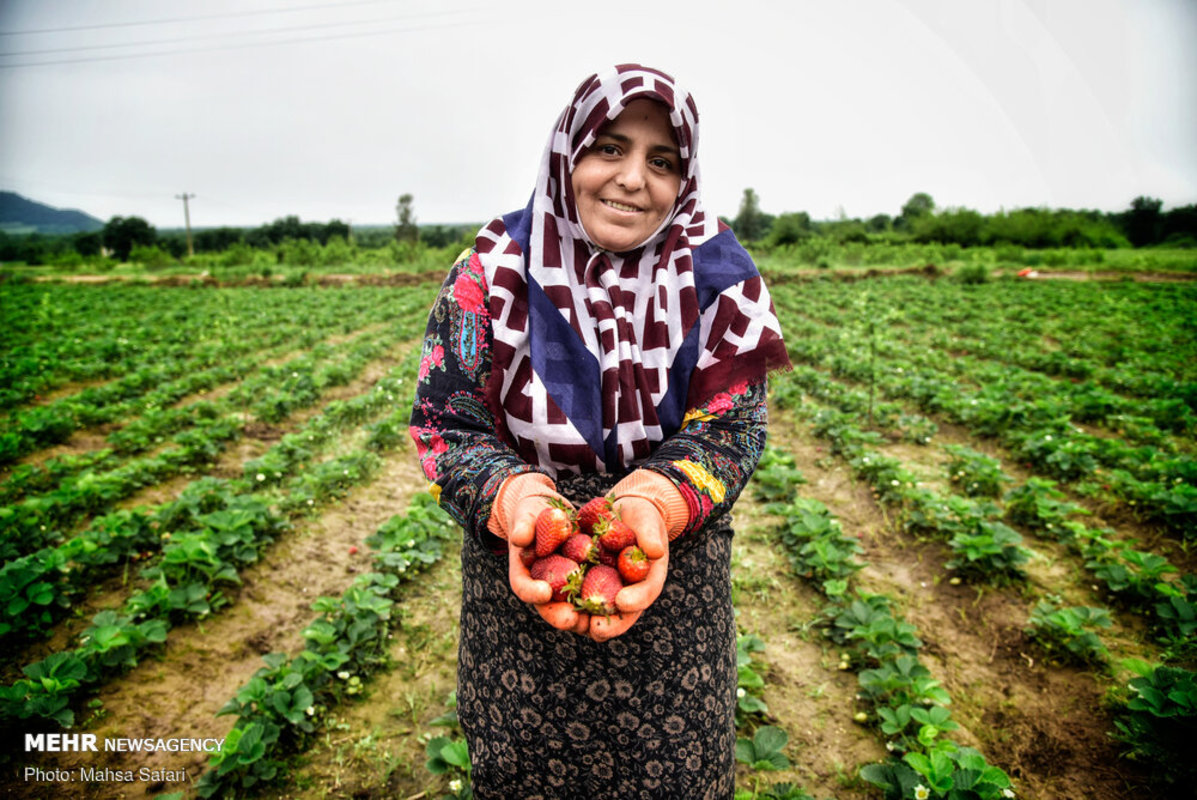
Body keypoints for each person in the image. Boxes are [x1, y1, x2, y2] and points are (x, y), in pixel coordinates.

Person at [409, 63, 790, 800]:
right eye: (608, 148)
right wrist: (515, 497)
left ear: (685, 178)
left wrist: (655, 500)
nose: (632, 179)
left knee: (676, 776)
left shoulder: (720, 274)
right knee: (523, 775)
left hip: (665, 574)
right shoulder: (491, 269)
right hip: (523, 566)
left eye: (662, 161)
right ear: (567, 154)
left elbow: (732, 427)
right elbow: (445, 421)